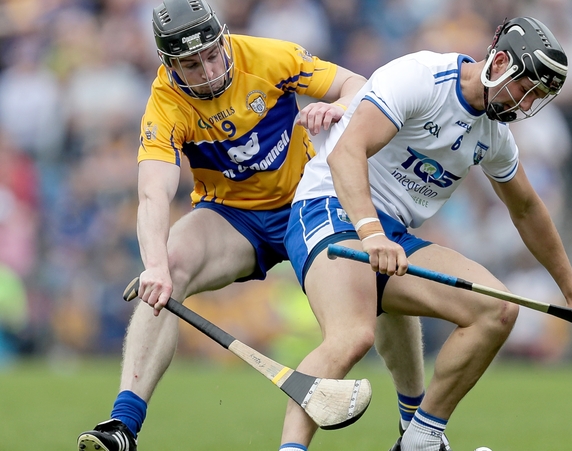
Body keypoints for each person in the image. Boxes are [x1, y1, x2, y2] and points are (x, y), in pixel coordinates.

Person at [76, 1, 433, 450]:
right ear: (168, 65)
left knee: (383, 280)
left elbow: (356, 84)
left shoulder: (268, 57)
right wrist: (154, 267)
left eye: (210, 53)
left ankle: (415, 430)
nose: (206, 70)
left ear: (223, 39)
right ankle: (122, 426)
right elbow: (153, 194)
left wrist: (339, 106)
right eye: (189, 64)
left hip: (311, 200)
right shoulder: (165, 104)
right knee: (168, 269)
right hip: (233, 217)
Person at [280, 16, 572, 451]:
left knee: (496, 310)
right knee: (353, 336)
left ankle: (421, 440)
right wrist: (370, 234)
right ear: (498, 62)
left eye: (538, 98)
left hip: (392, 237)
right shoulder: (423, 78)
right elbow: (346, 151)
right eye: (525, 89)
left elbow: (526, 208)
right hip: (330, 210)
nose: (525, 104)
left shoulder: (494, 135)